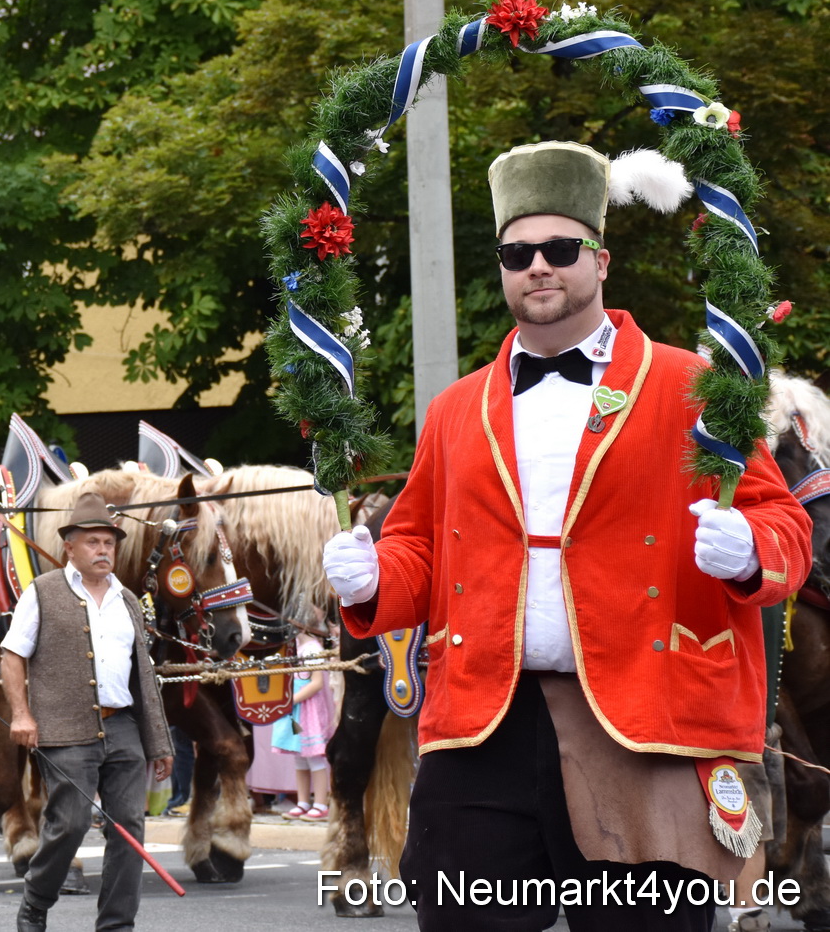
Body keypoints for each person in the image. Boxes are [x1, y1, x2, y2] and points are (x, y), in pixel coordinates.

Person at [323, 141, 813, 930]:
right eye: (518, 253)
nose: (538, 266)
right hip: (483, 720)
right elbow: (420, 552)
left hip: (646, 717)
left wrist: (751, 548)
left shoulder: (693, 386)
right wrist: (373, 578)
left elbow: (786, 527)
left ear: (601, 259)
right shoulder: (455, 408)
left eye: (559, 248)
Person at [2, 492, 175, 932]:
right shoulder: (42, 592)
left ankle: (116, 926)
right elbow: (11, 656)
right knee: (70, 823)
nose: (103, 550)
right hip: (64, 729)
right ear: (70, 548)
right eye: (93, 542)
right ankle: (36, 903)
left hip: (124, 728)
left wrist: (159, 742)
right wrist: (22, 715)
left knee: (129, 828)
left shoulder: (129, 601)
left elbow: (144, 678)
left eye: (109, 543)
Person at [275, 629, 333, 821]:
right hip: (295, 708)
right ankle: (303, 802)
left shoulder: (312, 648)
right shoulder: (295, 648)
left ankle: (320, 804)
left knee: (314, 757)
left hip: (308, 708)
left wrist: (291, 700)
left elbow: (316, 683)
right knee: (299, 756)